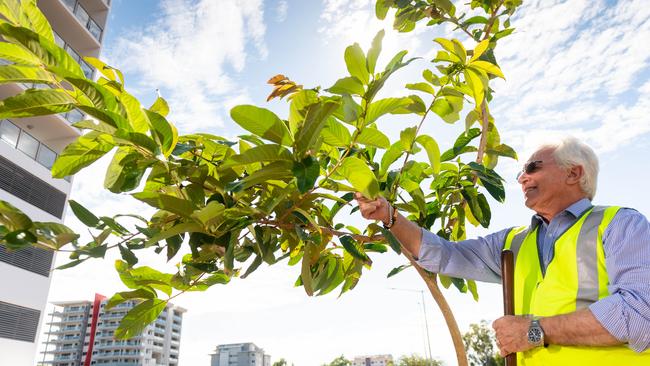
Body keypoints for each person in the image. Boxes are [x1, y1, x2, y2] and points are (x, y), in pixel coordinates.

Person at [355, 137, 650, 365]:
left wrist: (533, 331)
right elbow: (445, 255)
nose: (521, 178)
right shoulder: (514, 242)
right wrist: (389, 216)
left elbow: (640, 315)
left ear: (573, 173)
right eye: (521, 171)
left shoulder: (620, 225)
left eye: (533, 167)